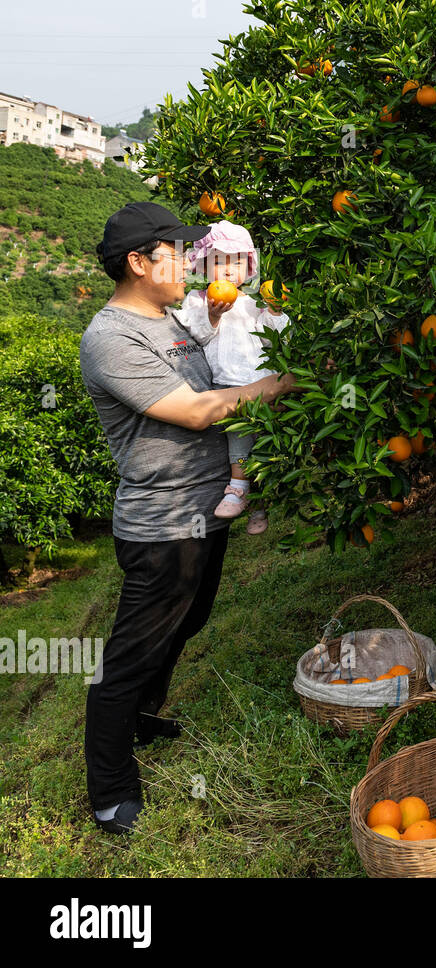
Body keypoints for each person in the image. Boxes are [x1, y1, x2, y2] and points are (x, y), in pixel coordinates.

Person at [80, 202, 296, 835]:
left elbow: (227, 365)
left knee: (190, 617)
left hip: (205, 512)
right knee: (131, 652)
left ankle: (144, 719)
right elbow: (201, 411)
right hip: (162, 523)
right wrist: (287, 381)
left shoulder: (176, 318)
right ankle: (110, 788)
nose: (193, 263)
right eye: (178, 252)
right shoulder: (112, 338)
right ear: (138, 262)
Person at [176, 220, 288, 535]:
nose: (228, 270)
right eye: (219, 261)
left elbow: (276, 339)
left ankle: (259, 504)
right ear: (204, 265)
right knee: (238, 441)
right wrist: (212, 315)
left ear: (248, 265)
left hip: (262, 385)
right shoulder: (197, 300)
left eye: (236, 261)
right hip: (227, 388)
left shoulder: (253, 302)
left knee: (263, 445)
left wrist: (275, 312)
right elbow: (194, 337)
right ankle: (237, 489)